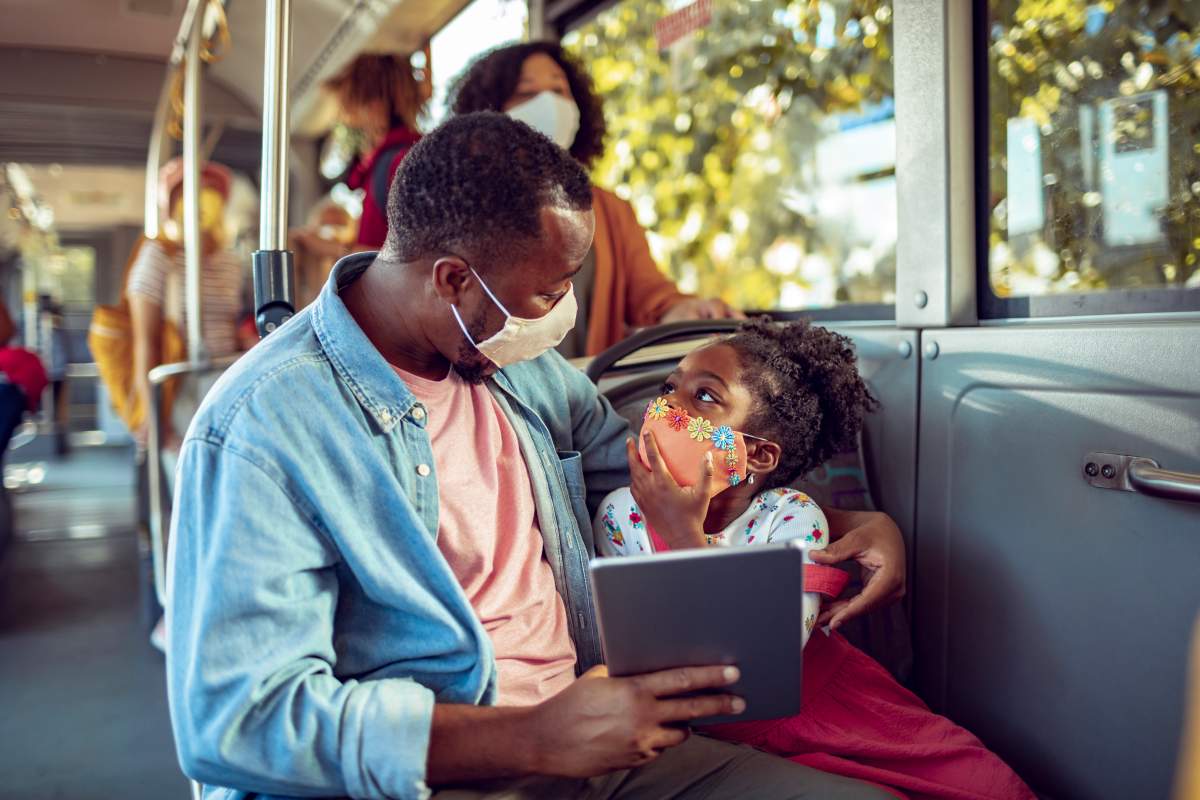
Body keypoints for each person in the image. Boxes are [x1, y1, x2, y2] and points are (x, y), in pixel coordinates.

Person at [167, 112, 907, 799]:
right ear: (454, 279)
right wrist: (530, 737)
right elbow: (239, 717)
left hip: (601, 734)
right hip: (448, 770)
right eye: (544, 294)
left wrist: (847, 523)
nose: (557, 317)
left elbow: (659, 478)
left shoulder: (515, 367)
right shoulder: (264, 427)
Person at [595, 318, 1035, 800]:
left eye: (704, 398)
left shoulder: (792, 520)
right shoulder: (620, 516)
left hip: (826, 712)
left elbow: (756, 658)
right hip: (702, 735)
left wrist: (683, 533)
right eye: (669, 388)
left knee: (983, 786)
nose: (666, 408)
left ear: (756, 457)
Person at [450, 41, 740, 358]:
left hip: (583, 396)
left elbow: (653, 299)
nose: (548, 103)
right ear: (489, 113)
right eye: (527, 93)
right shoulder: (464, 205)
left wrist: (691, 312)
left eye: (559, 90)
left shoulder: (610, 211)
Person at [127, 157, 244, 450]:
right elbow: (146, 341)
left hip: (227, 379)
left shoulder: (231, 262)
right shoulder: (158, 256)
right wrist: (152, 413)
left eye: (210, 192)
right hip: (178, 384)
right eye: (193, 192)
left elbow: (233, 322)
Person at [325, 52, 426, 248]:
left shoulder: (398, 166)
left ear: (376, 107)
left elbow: (403, 258)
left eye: (353, 112)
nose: (350, 124)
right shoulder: (392, 164)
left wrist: (332, 251)